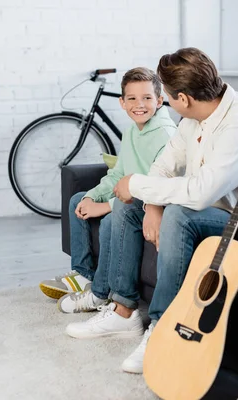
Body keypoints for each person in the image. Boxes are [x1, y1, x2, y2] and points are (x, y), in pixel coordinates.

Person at [65, 47, 238, 374]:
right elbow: (165, 165)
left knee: (179, 213)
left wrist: (141, 188)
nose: (167, 105)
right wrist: (151, 204)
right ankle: (123, 312)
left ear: (183, 98)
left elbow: (200, 194)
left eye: (168, 97)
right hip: (217, 211)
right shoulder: (198, 114)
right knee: (129, 207)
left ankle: (161, 327)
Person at [39, 67, 176, 314]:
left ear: (160, 100)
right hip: (126, 196)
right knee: (77, 200)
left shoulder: (166, 136)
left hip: (148, 204)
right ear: (122, 103)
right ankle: (83, 275)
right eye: (132, 98)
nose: (139, 105)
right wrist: (94, 196)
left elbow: (153, 191)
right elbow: (116, 174)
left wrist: (103, 206)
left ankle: (100, 292)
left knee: (111, 220)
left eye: (147, 98)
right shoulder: (133, 131)